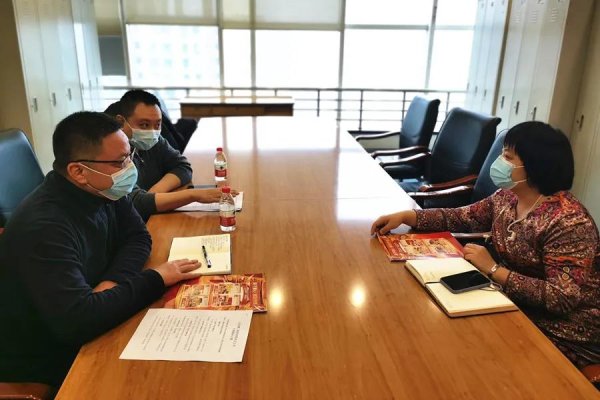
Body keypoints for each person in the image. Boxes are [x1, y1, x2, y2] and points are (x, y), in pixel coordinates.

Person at [371, 121, 600, 369]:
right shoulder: (508, 197)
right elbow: (461, 217)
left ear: (535, 167)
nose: (499, 161)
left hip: (562, 333)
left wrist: (494, 270)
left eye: (508, 157)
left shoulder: (569, 221)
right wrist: (409, 216)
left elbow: (562, 297)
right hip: (511, 304)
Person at [0, 112, 203, 387]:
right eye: (120, 162)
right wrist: (156, 278)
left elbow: (138, 237)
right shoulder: (44, 227)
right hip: (48, 357)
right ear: (78, 171)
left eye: (129, 156)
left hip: (89, 317)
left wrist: (112, 283)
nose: (129, 168)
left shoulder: (104, 189)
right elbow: (78, 322)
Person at [105, 89, 236, 220]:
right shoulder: (111, 154)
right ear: (121, 122)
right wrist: (193, 195)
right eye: (144, 125)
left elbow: (182, 166)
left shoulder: (153, 140)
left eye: (158, 124)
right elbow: (135, 203)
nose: (152, 132)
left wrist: (154, 192)